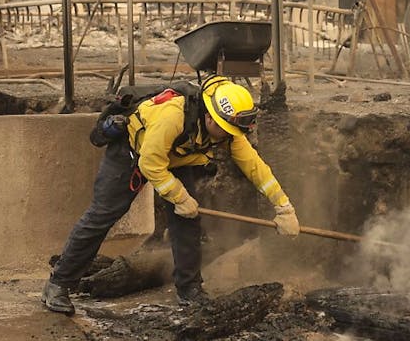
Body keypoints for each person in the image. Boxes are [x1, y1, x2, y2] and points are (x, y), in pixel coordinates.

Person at [42, 76, 299, 315]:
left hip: (177, 158)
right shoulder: (173, 116)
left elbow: (255, 168)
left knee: (188, 222)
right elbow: (151, 164)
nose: (232, 137)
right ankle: (58, 284)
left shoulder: (230, 131)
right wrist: (179, 196)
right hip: (133, 153)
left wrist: (283, 206)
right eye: (228, 130)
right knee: (102, 216)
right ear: (210, 118)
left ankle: (190, 289)